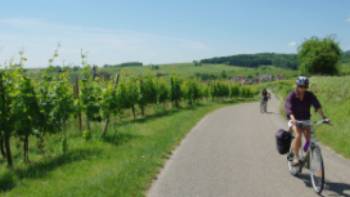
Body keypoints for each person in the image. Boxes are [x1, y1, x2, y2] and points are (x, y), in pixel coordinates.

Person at [285, 76, 329, 166]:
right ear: (297, 86)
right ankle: (296, 157)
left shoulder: (309, 95)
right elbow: (289, 109)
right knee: (298, 136)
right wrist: (293, 119)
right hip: (294, 119)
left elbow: (317, 106)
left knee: (309, 140)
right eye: (301, 86)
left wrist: (324, 117)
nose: (303, 89)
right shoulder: (292, 95)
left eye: (305, 87)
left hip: (306, 119)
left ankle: (305, 153)